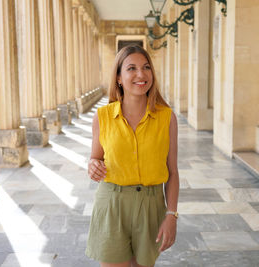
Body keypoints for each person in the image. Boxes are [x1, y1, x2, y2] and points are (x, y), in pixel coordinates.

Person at [85, 44, 179, 267]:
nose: (141, 74)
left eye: (146, 67)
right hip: (112, 205)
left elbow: (173, 172)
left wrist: (171, 214)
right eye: (131, 68)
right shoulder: (103, 116)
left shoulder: (167, 118)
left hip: (151, 206)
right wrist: (92, 165)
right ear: (118, 77)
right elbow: (96, 158)